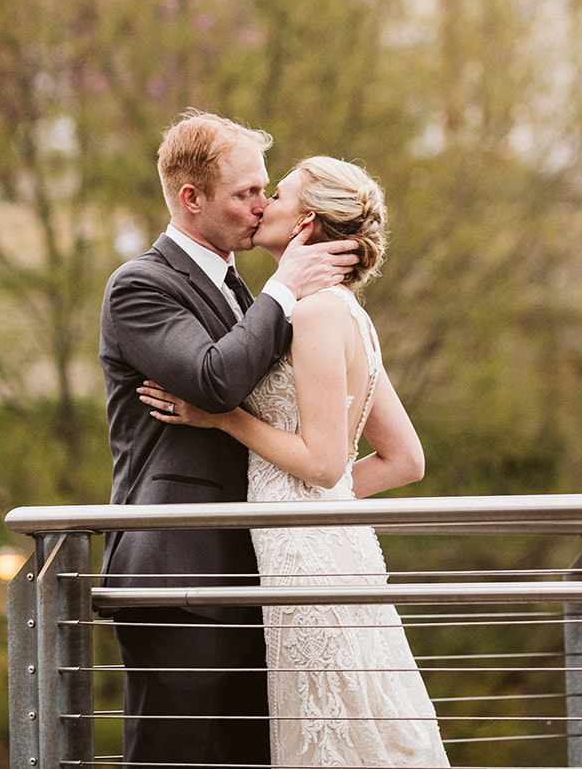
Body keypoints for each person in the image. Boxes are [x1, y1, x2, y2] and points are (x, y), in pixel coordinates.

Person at [139, 156, 448, 767]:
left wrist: (223, 417)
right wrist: (310, 503)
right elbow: (404, 458)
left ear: (305, 222)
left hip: (303, 557)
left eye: (274, 195)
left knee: (329, 724)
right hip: (327, 544)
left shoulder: (311, 314)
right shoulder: (344, 312)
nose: (261, 205)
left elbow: (325, 461)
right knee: (352, 713)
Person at [99, 113, 359, 768]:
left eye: (266, 190)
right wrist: (285, 289)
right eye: (246, 193)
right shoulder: (140, 286)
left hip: (253, 576)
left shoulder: (244, 291)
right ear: (192, 198)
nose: (263, 206)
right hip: (176, 574)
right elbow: (215, 380)